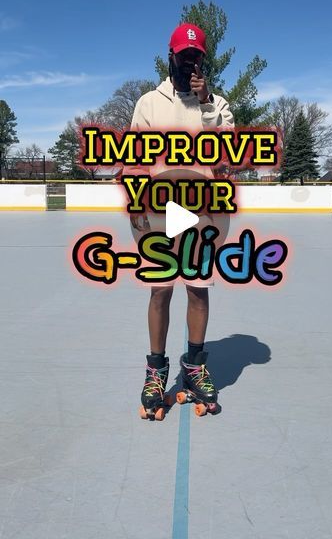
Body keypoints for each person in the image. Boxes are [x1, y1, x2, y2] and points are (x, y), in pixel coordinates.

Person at [126, 22, 234, 417]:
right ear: (170, 56)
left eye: (197, 57)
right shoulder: (149, 103)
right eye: (183, 55)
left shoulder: (218, 105)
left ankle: (194, 364)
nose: (189, 62)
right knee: (160, 289)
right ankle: (156, 369)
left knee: (198, 288)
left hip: (204, 207)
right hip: (161, 207)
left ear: (203, 61)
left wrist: (206, 106)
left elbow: (228, 156)